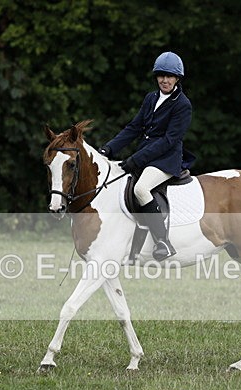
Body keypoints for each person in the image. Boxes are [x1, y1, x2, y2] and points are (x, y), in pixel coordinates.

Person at [99, 51, 194, 261]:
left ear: (177, 78)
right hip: (147, 156)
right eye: (161, 75)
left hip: (166, 159)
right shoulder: (151, 98)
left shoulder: (182, 105)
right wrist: (109, 149)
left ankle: (163, 242)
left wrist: (135, 160)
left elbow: (168, 141)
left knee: (141, 189)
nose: (165, 80)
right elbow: (134, 127)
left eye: (169, 76)